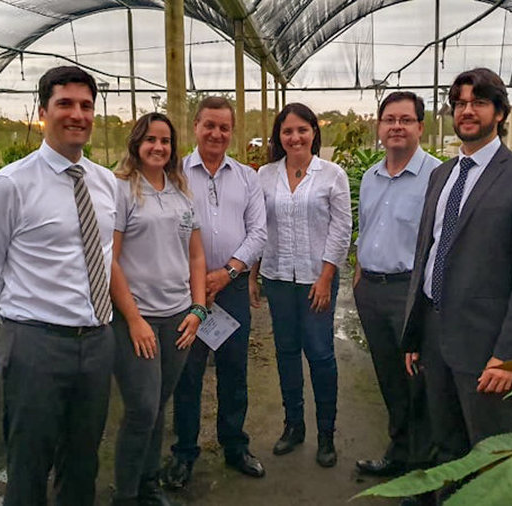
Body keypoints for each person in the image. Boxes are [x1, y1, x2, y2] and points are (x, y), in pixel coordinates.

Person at [0, 66, 116, 506]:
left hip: (96, 342)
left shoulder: (105, 183)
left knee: (83, 461)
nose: (77, 114)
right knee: (29, 462)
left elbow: (108, 258)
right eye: (65, 104)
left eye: (86, 105)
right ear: (42, 112)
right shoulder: (10, 185)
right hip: (36, 344)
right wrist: (25, 323)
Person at [401, 68, 512, 474]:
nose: (467, 111)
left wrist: (507, 356)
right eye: (460, 104)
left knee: (493, 452)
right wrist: (416, 330)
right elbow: (427, 254)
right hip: (435, 333)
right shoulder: (442, 175)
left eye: (479, 103)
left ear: (500, 113)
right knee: (446, 444)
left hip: (484, 343)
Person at [163, 97, 267, 488]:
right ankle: (184, 453)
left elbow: (258, 232)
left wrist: (228, 272)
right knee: (187, 373)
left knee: (234, 369)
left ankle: (234, 445)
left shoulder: (246, 177)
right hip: (186, 291)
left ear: (232, 131)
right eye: (209, 125)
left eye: (224, 127)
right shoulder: (174, 174)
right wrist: (196, 282)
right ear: (195, 126)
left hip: (231, 288)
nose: (217, 134)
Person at [109, 112, 207, 506]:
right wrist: (133, 319)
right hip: (139, 319)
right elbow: (109, 259)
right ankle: (127, 494)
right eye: (150, 139)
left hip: (177, 317)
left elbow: (197, 256)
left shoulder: (181, 192)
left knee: (158, 404)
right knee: (142, 408)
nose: (158, 147)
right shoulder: (121, 190)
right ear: (137, 144)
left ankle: (148, 483)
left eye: (165, 141)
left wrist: (198, 308)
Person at [250, 103, 352, 468]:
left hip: (315, 280)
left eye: (302, 130)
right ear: (279, 136)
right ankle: (294, 426)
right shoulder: (265, 174)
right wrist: (253, 273)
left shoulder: (332, 174)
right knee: (286, 351)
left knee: (321, 355)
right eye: (287, 131)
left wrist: (326, 278)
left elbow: (341, 229)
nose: (295, 137)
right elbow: (259, 227)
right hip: (277, 278)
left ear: (313, 133)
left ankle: (326, 434)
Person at [353, 91, 440, 478]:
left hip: (410, 293)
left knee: (416, 383)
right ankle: (399, 453)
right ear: (380, 126)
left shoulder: (439, 177)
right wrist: (358, 276)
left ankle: (421, 472)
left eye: (405, 120)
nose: (397, 127)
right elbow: (366, 231)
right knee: (389, 378)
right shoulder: (370, 178)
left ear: (420, 127)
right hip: (371, 290)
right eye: (390, 119)